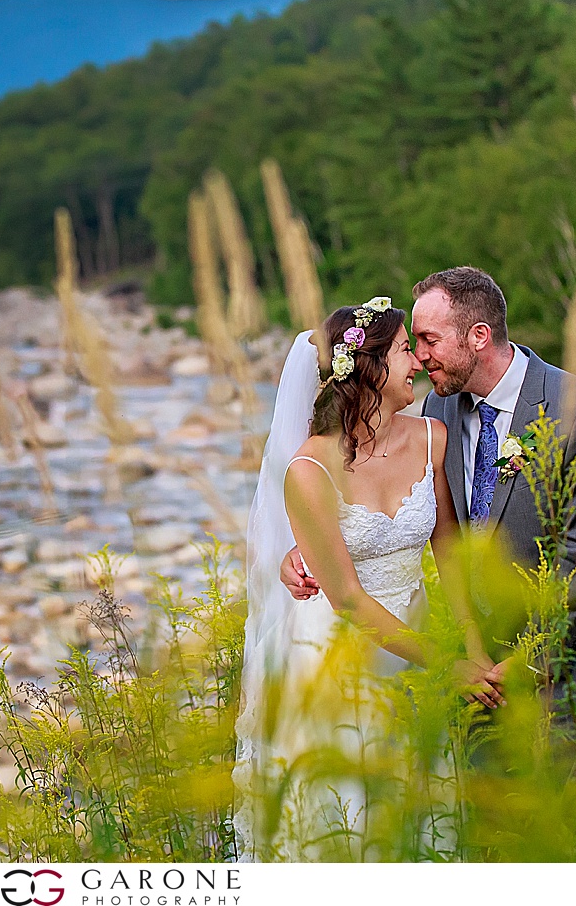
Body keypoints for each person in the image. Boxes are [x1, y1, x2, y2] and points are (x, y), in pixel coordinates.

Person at [280, 267, 576, 752]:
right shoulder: (439, 412)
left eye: (428, 340)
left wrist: (533, 656)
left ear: (478, 336)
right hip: (467, 667)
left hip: (568, 664)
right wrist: (298, 556)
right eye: (412, 345)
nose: (421, 358)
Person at [232, 297, 498, 861]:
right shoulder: (309, 470)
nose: (420, 362)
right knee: (350, 815)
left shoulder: (432, 437)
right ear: (370, 368)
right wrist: (446, 665)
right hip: (336, 656)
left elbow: (448, 550)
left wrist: (472, 650)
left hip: (417, 633)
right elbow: (347, 598)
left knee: (421, 808)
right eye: (406, 350)